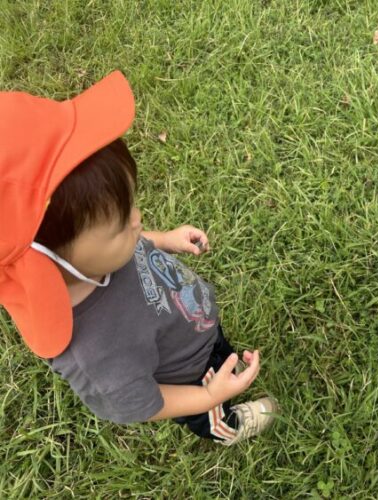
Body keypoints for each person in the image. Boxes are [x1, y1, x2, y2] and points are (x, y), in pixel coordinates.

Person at [0, 71, 278, 445]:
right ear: (50, 264)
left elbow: (131, 241)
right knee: (213, 416)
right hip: (190, 379)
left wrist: (164, 240)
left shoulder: (93, 257)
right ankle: (228, 425)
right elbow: (145, 404)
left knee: (220, 352)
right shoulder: (96, 353)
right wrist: (210, 396)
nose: (138, 219)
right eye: (121, 226)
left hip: (191, 330)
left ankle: (218, 358)